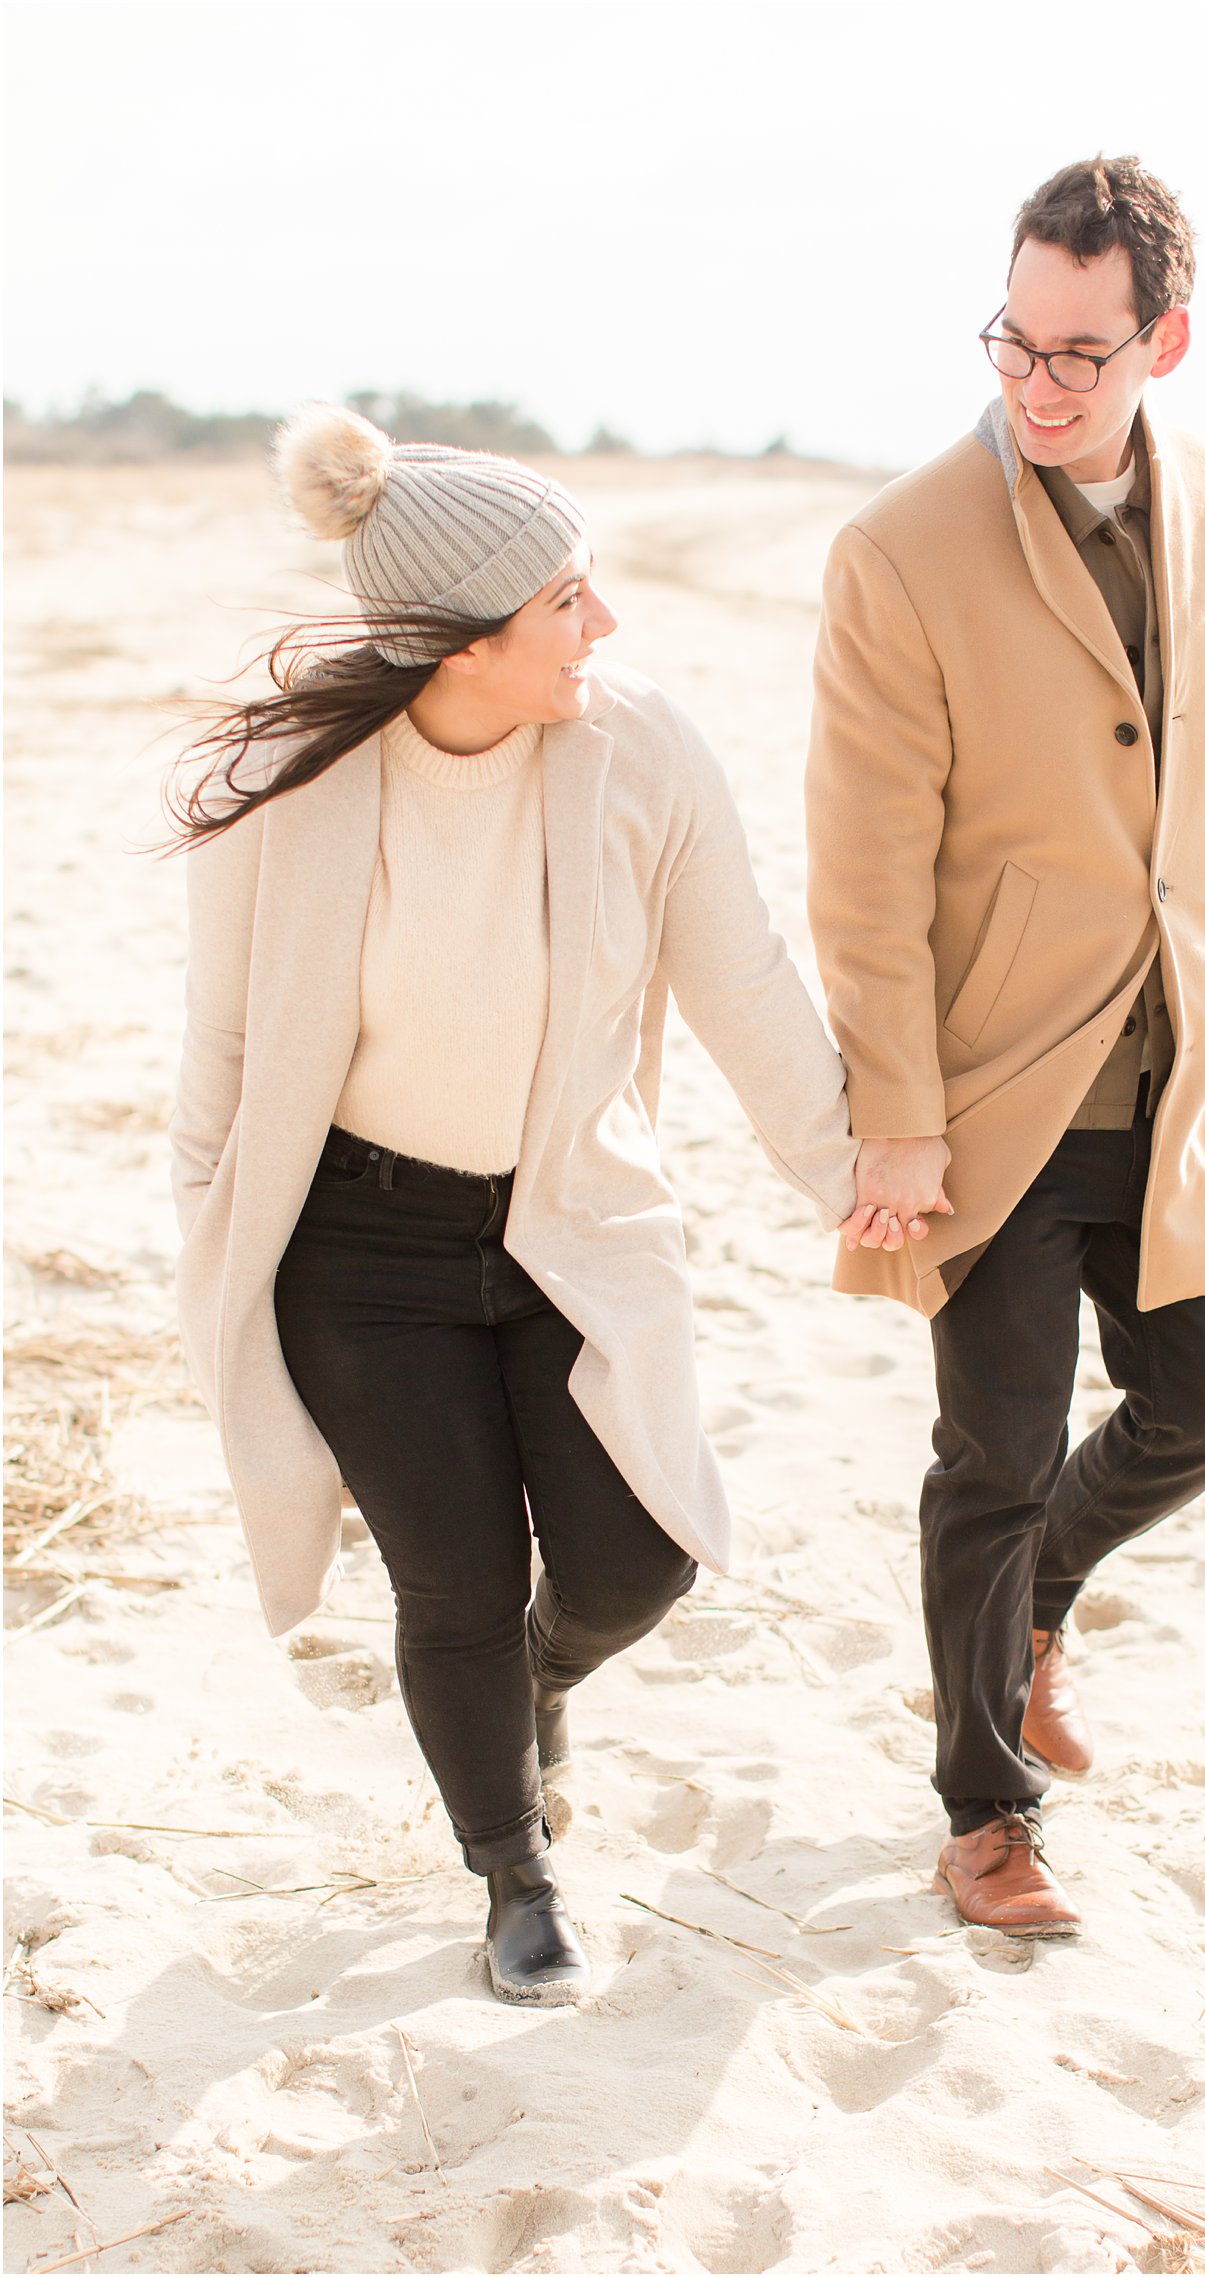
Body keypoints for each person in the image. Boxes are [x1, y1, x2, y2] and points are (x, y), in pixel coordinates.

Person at [168, 405, 899, 2004]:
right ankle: (514, 1871)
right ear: (461, 642)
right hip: (359, 1248)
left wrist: (857, 1179)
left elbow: (745, 983)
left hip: (568, 1214)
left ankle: (544, 1682)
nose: (605, 622)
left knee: (642, 1553)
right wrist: (212, 1262)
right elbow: (221, 1056)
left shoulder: (638, 744)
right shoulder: (283, 773)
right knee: (452, 1583)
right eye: (568, 596)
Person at [805, 156, 1205, 1938]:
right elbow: (862, 868)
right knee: (991, 1459)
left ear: (1166, 336)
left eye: (1083, 349)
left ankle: (1040, 1611)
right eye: (1018, 337)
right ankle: (983, 1809)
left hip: (1187, 1068)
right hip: (1000, 1090)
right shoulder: (902, 547)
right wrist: (897, 1120)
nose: (1040, 381)